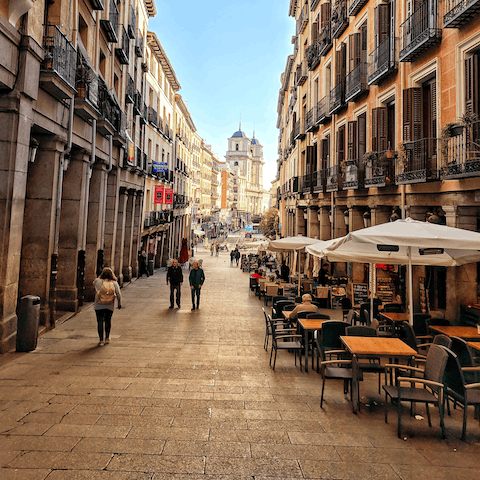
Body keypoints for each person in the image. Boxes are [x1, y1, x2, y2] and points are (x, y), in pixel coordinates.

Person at [93, 267, 122, 347]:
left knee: (100, 322)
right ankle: (107, 338)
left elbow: (94, 290)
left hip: (98, 305)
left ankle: (101, 340)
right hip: (109, 305)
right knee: (108, 321)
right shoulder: (114, 283)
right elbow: (118, 294)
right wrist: (119, 303)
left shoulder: (97, 281)